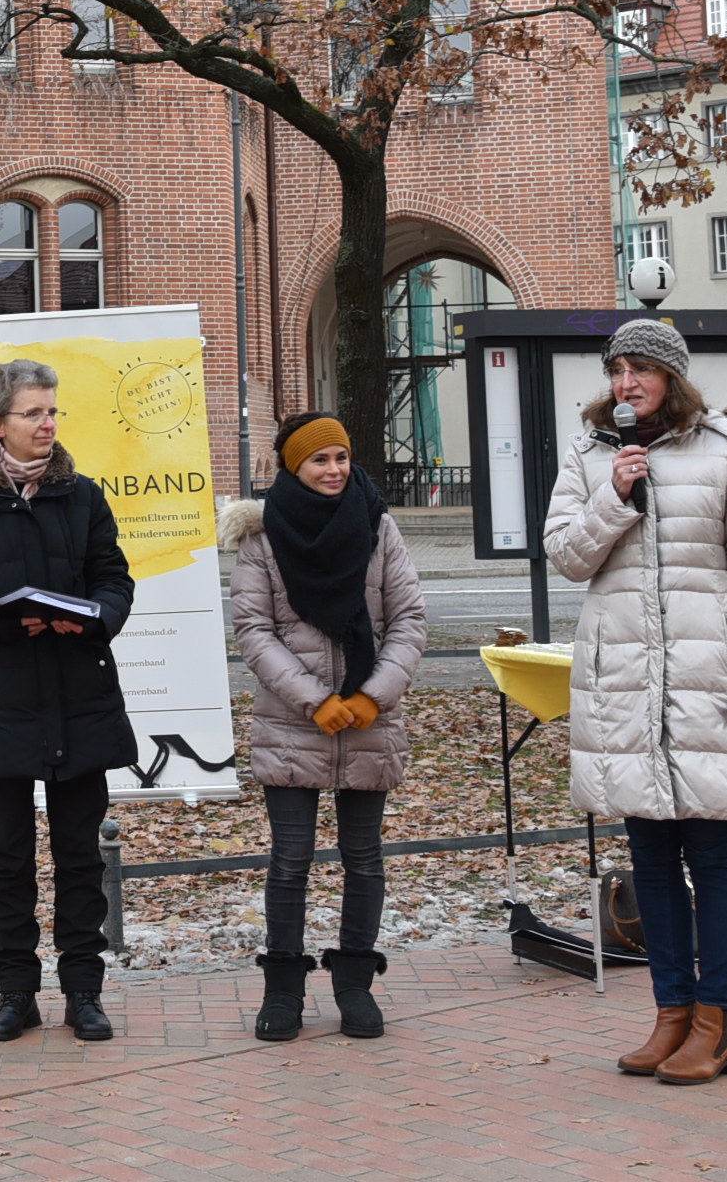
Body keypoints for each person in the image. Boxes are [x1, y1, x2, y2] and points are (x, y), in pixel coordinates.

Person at [543, 318, 727, 1087]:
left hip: (705, 675)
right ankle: (670, 1014)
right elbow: (565, 556)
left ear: (670, 377)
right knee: (650, 855)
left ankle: (717, 1023)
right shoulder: (591, 454)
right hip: (624, 679)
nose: (625, 383)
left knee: (710, 854)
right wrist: (615, 498)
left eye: (640, 370)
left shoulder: (726, 449)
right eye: (616, 370)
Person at [0, 358, 138, 1044]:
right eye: (34, 413)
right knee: (7, 860)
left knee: (79, 857)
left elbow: (115, 579)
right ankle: (16, 993)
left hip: (79, 696)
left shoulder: (83, 495)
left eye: (53, 411)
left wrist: (96, 616)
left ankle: (83, 994)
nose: (48, 423)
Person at [224, 411, 428, 1042]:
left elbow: (409, 619)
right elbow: (254, 631)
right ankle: (282, 990)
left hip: (369, 719)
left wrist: (373, 695)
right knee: (290, 861)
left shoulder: (378, 525)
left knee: (364, 860)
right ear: (293, 465)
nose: (334, 470)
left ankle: (355, 987)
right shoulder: (262, 538)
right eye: (320, 460)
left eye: (341, 457)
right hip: (293, 723)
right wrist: (316, 700)